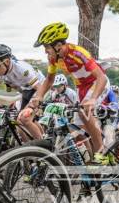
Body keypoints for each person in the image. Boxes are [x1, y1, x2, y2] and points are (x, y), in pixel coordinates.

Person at [31, 22, 109, 163]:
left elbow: (101, 77)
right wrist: (39, 96)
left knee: (84, 111)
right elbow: (49, 79)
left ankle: (101, 152)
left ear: (58, 45)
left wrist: (93, 99)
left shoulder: (78, 53)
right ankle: (91, 161)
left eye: (47, 47)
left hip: (97, 84)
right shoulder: (53, 58)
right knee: (78, 130)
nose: (45, 51)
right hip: (81, 87)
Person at [0, 44, 45, 140]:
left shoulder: (21, 69)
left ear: (6, 61)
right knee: (18, 124)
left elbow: (39, 88)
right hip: (25, 90)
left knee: (24, 118)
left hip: (39, 87)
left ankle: (43, 146)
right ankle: (27, 150)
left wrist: (35, 104)